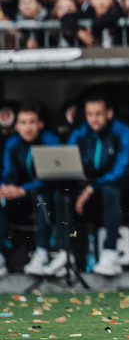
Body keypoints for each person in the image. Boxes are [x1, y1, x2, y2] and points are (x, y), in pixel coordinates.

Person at [65, 94, 129, 277]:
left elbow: (121, 170)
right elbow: (67, 163)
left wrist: (92, 186)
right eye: (90, 114)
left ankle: (110, 254)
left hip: (121, 190)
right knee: (62, 195)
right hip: (89, 190)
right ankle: (68, 256)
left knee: (110, 190)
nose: (94, 119)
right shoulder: (80, 133)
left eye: (98, 114)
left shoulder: (123, 132)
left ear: (109, 114)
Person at [0, 103, 64, 277]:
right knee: (1, 197)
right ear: (17, 126)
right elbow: (8, 172)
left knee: (40, 195)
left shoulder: (51, 141)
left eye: (32, 122)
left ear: (40, 124)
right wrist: (5, 188)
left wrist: (23, 189)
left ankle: (42, 253)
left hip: (43, 195)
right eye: (23, 122)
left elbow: (51, 177)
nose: (28, 127)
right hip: (19, 196)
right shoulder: (12, 143)